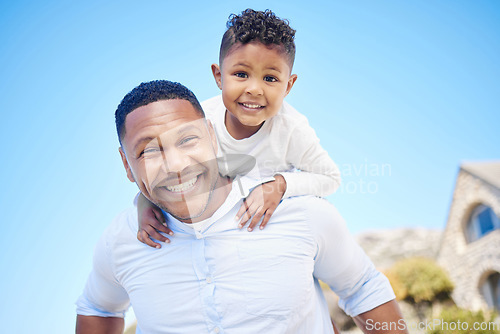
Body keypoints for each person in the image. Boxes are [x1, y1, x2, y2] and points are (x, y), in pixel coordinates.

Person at [76, 80, 408, 334]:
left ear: (210, 134)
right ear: (126, 164)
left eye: (187, 140)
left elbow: (363, 288)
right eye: (149, 151)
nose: (175, 165)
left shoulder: (301, 214)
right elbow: (98, 308)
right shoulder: (120, 242)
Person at [137, 9, 342, 248]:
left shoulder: (291, 129)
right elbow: (171, 170)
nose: (254, 89)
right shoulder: (201, 122)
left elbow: (330, 178)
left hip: (267, 234)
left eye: (270, 78)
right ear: (219, 76)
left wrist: (279, 185)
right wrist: (144, 204)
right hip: (217, 233)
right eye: (241, 74)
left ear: (288, 85)